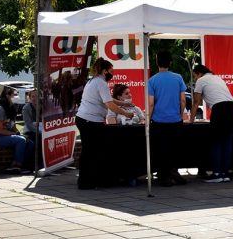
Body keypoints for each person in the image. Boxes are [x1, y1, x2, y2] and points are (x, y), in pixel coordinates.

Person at [75, 58, 137, 189]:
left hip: (86, 119)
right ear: (104, 71)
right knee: (91, 151)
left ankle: (86, 180)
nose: (112, 73)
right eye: (111, 71)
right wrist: (126, 113)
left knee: (89, 150)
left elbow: (109, 99)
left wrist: (123, 103)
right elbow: (109, 104)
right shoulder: (101, 83)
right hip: (90, 121)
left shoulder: (94, 81)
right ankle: (87, 182)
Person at [191, 64, 233, 183]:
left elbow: (196, 101)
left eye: (194, 76)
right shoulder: (217, 78)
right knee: (227, 143)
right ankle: (225, 173)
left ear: (199, 73)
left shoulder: (201, 80)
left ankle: (217, 173)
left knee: (216, 142)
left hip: (220, 110)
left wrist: (191, 120)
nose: (195, 79)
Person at [147, 50, 188, 187]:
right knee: (175, 148)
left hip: (159, 121)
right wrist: (180, 114)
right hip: (175, 120)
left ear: (157, 63)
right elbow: (183, 100)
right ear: (170, 62)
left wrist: (148, 118)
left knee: (161, 149)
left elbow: (151, 103)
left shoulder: (152, 80)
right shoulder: (178, 78)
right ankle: (174, 171)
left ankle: (164, 176)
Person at [0, 86, 33, 173]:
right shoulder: (0, 110)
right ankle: (16, 165)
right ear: (7, 96)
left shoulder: (10, 109)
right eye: (15, 94)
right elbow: (0, 130)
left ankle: (23, 165)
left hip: (5, 135)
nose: (17, 97)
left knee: (30, 143)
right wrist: (16, 135)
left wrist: (19, 133)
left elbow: (12, 125)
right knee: (21, 140)